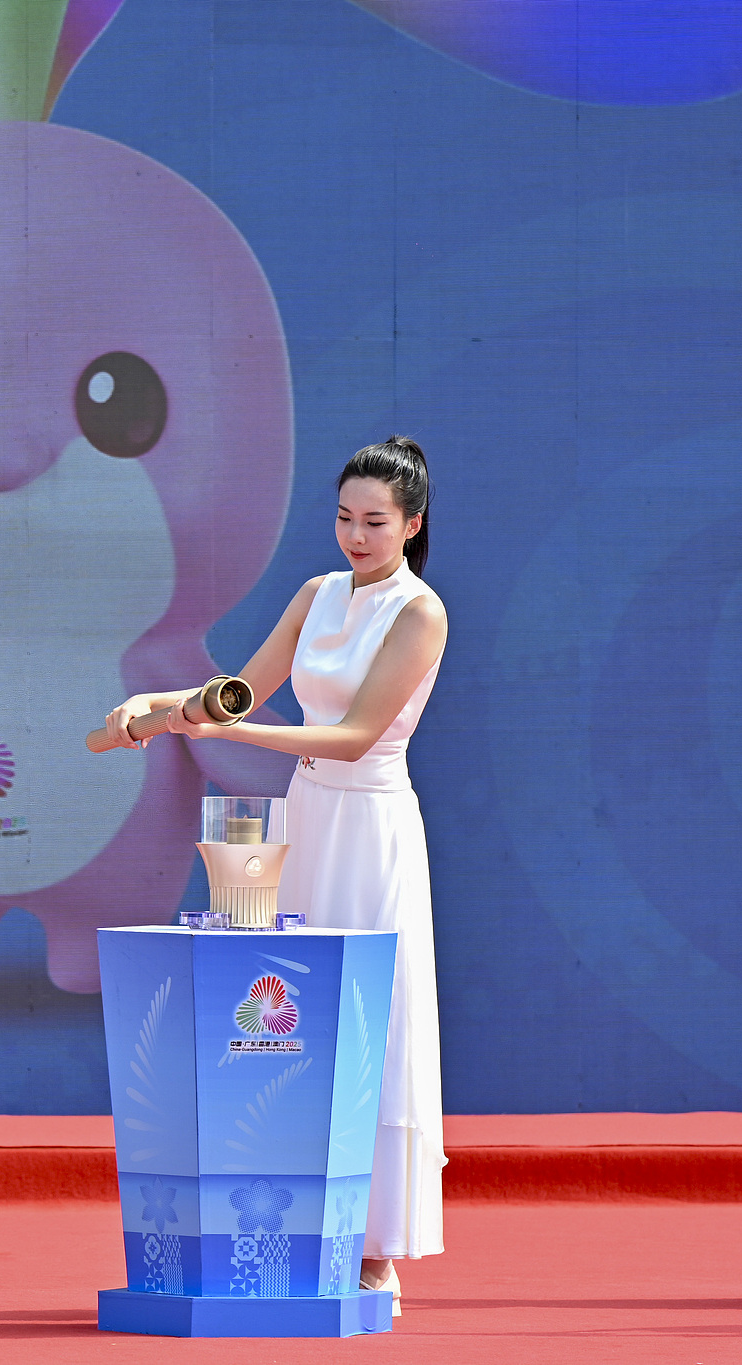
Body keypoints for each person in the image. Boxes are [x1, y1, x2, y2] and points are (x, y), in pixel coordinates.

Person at [103, 436, 446, 1317]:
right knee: (290, 1013)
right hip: (308, 819)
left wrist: (228, 734)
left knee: (373, 1017)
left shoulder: (419, 613)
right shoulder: (316, 594)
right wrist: (165, 709)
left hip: (370, 825)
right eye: (343, 518)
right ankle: (304, 1225)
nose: (356, 537)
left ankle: (374, 1249)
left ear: (411, 525)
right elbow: (243, 691)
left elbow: (354, 734)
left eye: (375, 522)